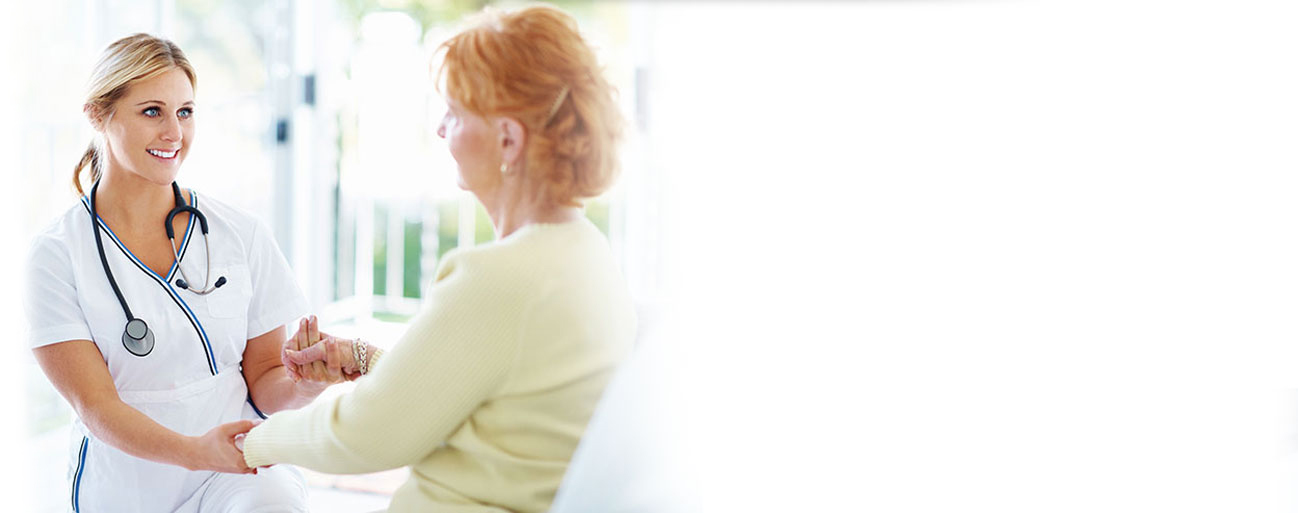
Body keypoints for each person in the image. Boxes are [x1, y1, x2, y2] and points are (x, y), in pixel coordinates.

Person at [234, 5, 637, 512]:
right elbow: (491, 404)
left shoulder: (500, 279)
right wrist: (364, 358)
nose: (442, 130)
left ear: (508, 139)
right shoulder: (585, 251)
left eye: (456, 113)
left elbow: (370, 434)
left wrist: (251, 442)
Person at [24, 33, 341, 512]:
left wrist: (305, 385)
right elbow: (96, 406)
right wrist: (194, 452)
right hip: (126, 484)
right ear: (98, 114)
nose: (174, 133)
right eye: (152, 111)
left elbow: (265, 380)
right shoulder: (55, 256)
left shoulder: (241, 234)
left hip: (236, 472)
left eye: (185, 112)